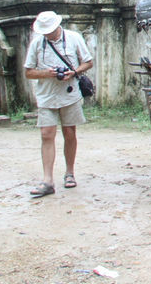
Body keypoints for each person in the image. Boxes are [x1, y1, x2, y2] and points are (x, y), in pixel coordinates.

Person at [23, 11, 93, 198]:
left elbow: (88, 62)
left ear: (57, 27)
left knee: (70, 132)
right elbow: (28, 72)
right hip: (46, 95)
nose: (48, 34)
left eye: (50, 31)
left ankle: (69, 173)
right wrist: (47, 73)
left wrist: (74, 72)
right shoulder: (38, 43)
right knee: (47, 134)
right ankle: (47, 180)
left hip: (69, 94)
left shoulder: (73, 38)